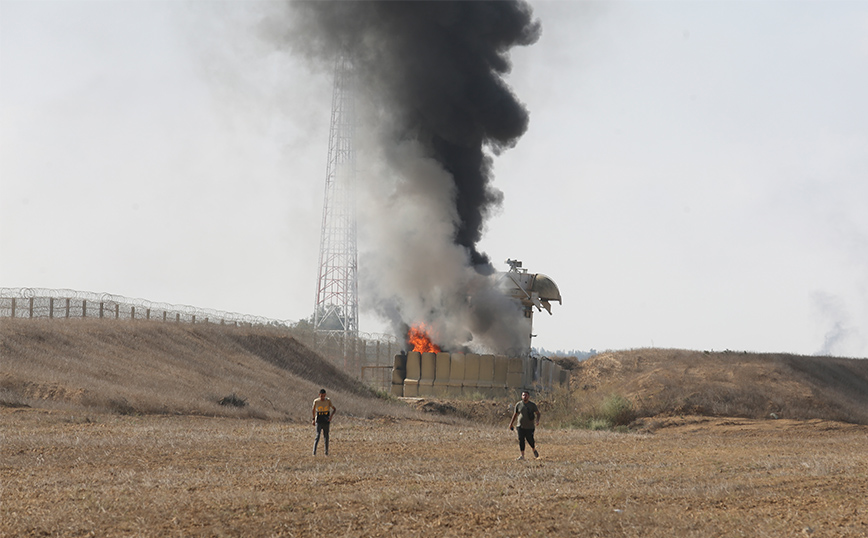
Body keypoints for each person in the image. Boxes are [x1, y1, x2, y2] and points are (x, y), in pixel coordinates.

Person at [508, 390, 540, 460]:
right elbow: (515, 414)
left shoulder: (532, 405)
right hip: (520, 426)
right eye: (523, 395)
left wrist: (537, 420)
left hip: (530, 427)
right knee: (521, 440)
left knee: (530, 440)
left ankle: (534, 449)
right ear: (521, 396)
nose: (524, 396)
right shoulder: (518, 404)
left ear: (528, 396)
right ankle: (522, 456)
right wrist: (511, 424)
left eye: (526, 395)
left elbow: (538, 413)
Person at [312, 388, 336, 456]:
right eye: (321, 396)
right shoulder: (316, 401)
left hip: (326, 419)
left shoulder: (328, 401)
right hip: (319, 419)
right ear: (319, 395)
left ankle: (326, 453)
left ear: (325, 395)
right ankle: (314, 452)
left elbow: (334, 409)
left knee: (326, 436)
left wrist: (331, 417)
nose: (322, 397)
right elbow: (313, 410)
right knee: (317, 436)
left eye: (323, 395)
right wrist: (313, 419)